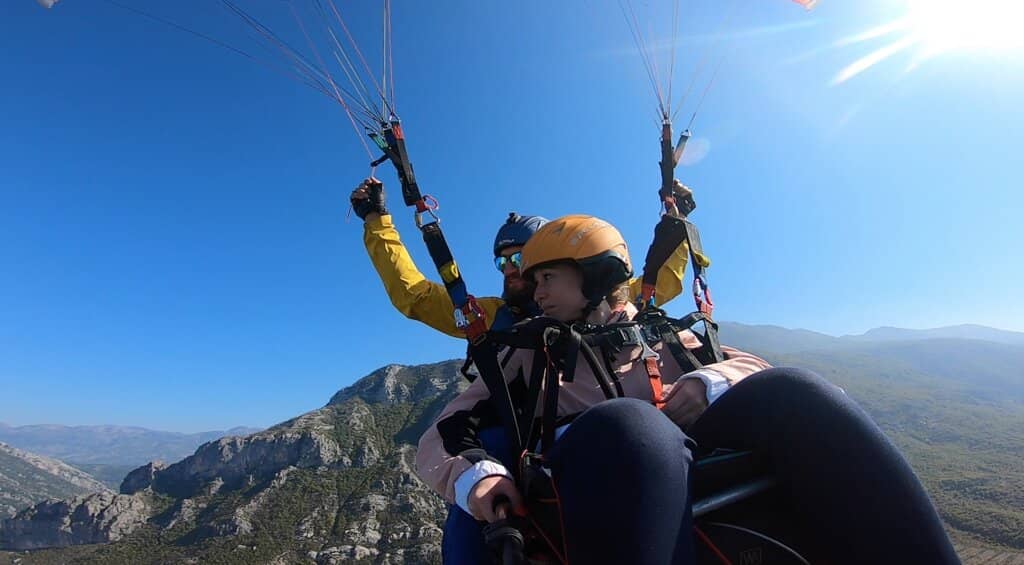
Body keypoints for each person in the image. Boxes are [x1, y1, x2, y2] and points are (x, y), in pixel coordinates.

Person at [416, 214, 960, 564]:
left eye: (546, 278)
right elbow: (450, 426)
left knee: (797, 390)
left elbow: (753, 367)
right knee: (631, 424)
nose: (535, 293)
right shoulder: (529, 350)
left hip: (688, 456)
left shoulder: (664, 333)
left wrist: (707, 380)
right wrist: (475, 478)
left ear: (595, 275)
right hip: (593, 460)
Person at [349, 178, 691, 337]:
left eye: (520, 259)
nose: (510, 269)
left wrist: (679, 225)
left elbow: (661, 283)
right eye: (503, 262)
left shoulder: (605, 298)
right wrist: (377, 222)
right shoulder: (491, 317)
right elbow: (416, 296)